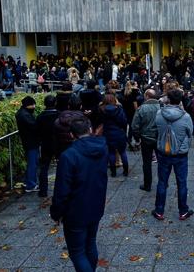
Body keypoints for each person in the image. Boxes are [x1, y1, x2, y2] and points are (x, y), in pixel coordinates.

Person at [50, 117, 108, 272]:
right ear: (89, 130)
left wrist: (56, 212)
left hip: (75, 210)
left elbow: (62, 189)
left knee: (77, 251)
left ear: (71, 135)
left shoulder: (69, 155)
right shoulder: (102, 147)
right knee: (90, 243)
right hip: (96, 204)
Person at [152, 89, 194, 221]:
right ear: (180, 100)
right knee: (182, 183)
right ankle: (183, 210)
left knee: (162, 182)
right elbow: (190, 133)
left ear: (168, 99)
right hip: (180, 154)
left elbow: (155, 129)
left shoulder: (159, 114)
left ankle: (159, 210)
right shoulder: (186, 117)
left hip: (163, 152)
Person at [131, 89, 160, 191]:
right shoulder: (161, 107)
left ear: (147, 96)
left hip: (146, 138)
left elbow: (134, 126)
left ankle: (147, 185)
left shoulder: (141, 109)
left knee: (147, 163)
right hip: (159, 138)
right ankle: (163, 182)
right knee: (161, 162)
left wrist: (137, 138)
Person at [98, 94, 129, 177]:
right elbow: (124, 121)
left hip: (108, 133)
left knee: (111, 153)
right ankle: (125, 171)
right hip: (119, 132)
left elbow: (100, 121)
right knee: (122, 152)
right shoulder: (119, 109)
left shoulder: (101, 109)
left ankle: (113, 172)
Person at [36, 94, 59, 198]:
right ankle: (62, 188)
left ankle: (43, 190)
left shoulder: (40, 116)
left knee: (44, 167)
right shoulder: (59, 115)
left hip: (45, 143)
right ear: (55, 103)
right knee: (62, 165)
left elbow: (37, 131)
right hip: (58, 143)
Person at [15, 96, 40, 192]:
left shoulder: (22, 113)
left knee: (31, 162)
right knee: (32, 163)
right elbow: (35, 127)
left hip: (28, 141)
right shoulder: (25, 115)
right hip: (31, 142)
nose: (34, 107)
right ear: (28, 105)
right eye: (33, 105)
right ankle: (31, 184)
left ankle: (28, 181)